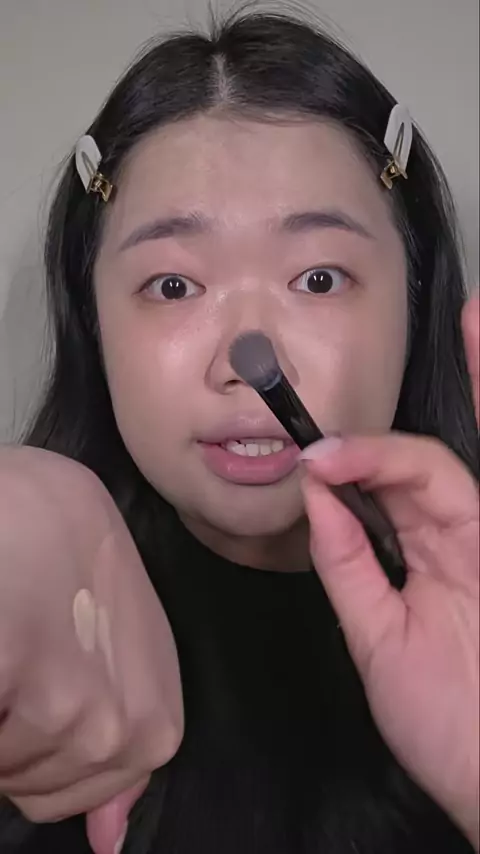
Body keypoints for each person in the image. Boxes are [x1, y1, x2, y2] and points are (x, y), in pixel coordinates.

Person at [0, 8, 478, 854]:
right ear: (93, 320)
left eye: (319, 278)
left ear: (415, 296)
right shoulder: (42, 652)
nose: (247, 359)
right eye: (173, 286)